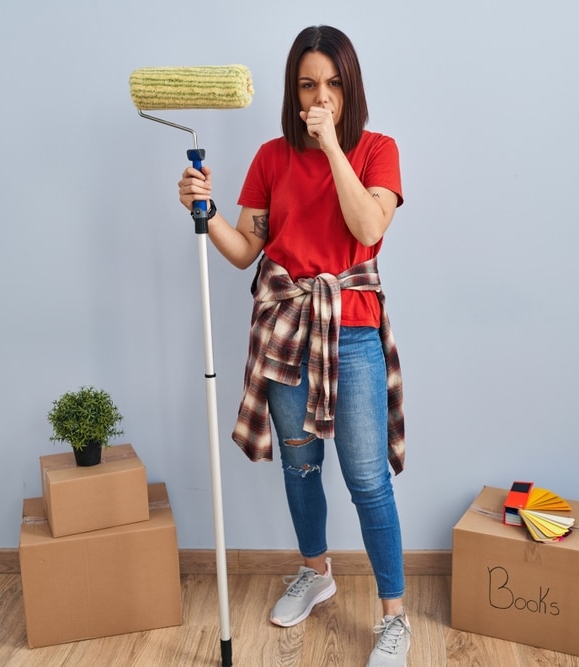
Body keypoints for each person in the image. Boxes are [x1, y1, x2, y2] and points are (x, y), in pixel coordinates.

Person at [177, 25, 409, 667]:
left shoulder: (379, 151)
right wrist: (205, 209)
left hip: (353, 327)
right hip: (284, 327)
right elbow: (243, 251)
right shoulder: (270, 157)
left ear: (350, 87)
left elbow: (366, 227)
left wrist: (333, 145)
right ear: (292, 88)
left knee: (366, 479)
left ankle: (394, 618)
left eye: (333, 84)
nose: (320, 97)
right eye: (308, 84)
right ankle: (317, 571)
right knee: (301, 465)